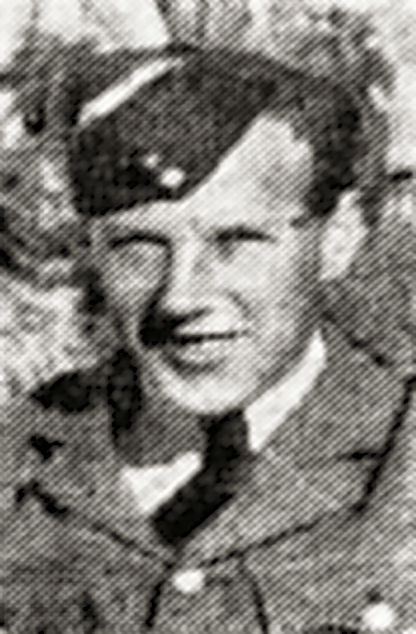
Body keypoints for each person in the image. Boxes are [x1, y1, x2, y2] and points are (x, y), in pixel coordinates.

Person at [3, 4, 415, 632]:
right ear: (91, 251)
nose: (180, 296)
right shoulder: (19, 455)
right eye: (137, 247)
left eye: (237, 242)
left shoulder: (401, 458)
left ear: (339, 239)